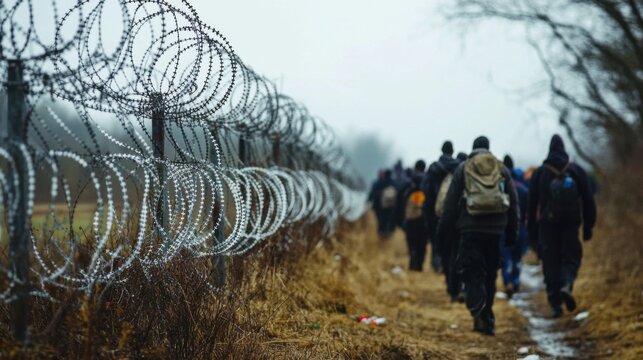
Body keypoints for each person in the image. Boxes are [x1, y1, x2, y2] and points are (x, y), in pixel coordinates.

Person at [437, 136, 519, 335]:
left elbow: (449, 205)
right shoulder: (501, 169)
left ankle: (478, 311)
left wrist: (443, 232)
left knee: (472, 271)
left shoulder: (463, 168)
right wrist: (511, 232)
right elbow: (514, 204)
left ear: (473, 149)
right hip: (495, 230)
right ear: (488, 149)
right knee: (490, 275)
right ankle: (487, 317)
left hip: (470, 228)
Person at [527, 135, 596, 318]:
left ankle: (555, 303)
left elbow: (532, 205)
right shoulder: (576, 170)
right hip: (571, 224)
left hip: (547, 226)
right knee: (571, 257)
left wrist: (532, 234)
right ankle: (566, 283)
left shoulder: (540, 173)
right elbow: (589, 200)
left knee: (550, 261)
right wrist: (589, 226)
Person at [425, 141, 460, 273]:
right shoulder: (458, 167)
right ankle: (449, 266)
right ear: (452, 151)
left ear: (441, 150)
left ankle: (437, 262)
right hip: (452, 210)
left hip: (435, 210)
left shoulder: (434, 168)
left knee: (436, 238)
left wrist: (427, 211)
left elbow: (426, 190)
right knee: (451, 240)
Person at [500, 155, 529, 298]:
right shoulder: (523, 189)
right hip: (520, 227)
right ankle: (516, 281)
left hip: (504, 227)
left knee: (505, 257)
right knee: (517, 257)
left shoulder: (500, 188)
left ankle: (507, 282)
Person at [398, 160, 429, 271]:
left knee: (412, 243)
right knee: (422, 243)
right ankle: (420, 265)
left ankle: (412, 262)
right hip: (423, 219)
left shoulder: (408, 182)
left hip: (410, 219)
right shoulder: (427, 181)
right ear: (424, 168)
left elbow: (401, 201)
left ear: (415, 168)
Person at [368, 169, 398, 238]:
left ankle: (381, 233)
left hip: (380, 206)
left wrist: (369, 200)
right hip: (392, 206)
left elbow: (373, 193)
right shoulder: (394, 183)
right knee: (390, 219)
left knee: (381, 220)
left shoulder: (379, 183)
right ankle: (389, 233)